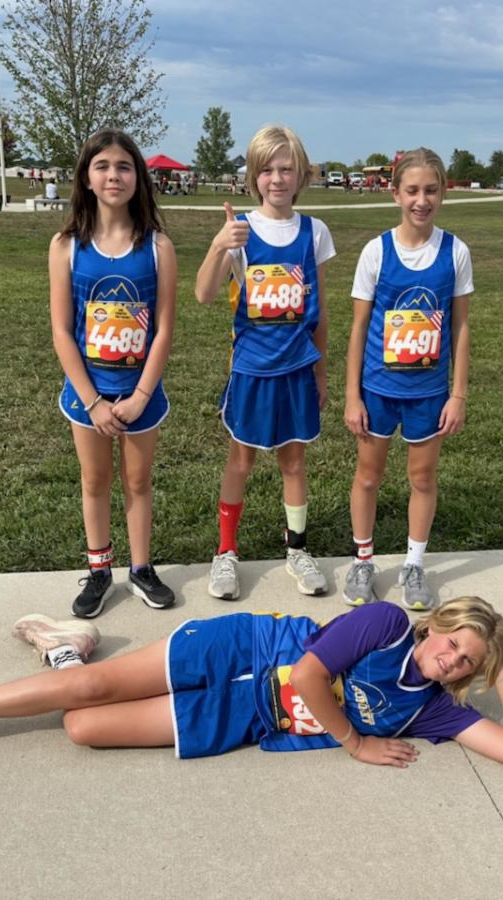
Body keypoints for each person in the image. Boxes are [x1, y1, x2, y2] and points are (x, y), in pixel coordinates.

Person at [0, 596, 503, 777]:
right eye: (452, 642)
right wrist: (355, 742)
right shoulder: (388, 624)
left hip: (248, 716)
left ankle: (63, 650)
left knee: (83, 726)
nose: (451, 660)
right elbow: (309, 674)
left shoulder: (430, 712)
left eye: (468, 663)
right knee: (92, 690)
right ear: (433, 627)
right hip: (246, 649)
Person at [194, 125, 335, 602]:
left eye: (286, 169)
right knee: (241, 460)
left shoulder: (315, 232)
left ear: (301, 175)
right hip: (252, 368)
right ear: (253, 176)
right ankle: (225, 551)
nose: (277, 178)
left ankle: (297, 548)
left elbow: (320, 311)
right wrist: (219, 245)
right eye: (267, 170)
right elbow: (204, 293)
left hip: (297, 367)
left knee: (293, 462)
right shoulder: (240, 230)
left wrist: (321, 371)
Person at [50, 129, 178, 618]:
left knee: (138, 480)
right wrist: (93, 402)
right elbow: (62, 331)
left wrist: (141, 395)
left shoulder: (158, 247)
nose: (113, 176)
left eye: (124, 166)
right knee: (95, 480)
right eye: (102, 166)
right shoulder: (66, 245)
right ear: (86, 177)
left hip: (139, 394)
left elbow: (163, 330)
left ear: (138, 177)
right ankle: (100, 570)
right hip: (89, 395)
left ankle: (141, 568)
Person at [342, 148, 473, 611]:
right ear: (395, 193)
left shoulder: (455, 252)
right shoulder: (376, 251)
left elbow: (460, 326)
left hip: (429, 394)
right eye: (412, 190)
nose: (422, 200)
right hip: (378, 390)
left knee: (422, 477)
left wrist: (458, 394)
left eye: (431, 190)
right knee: (368, 476)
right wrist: (352, 395)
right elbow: (359, 327)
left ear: (443, 193)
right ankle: (363, 561)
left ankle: (414, 565)